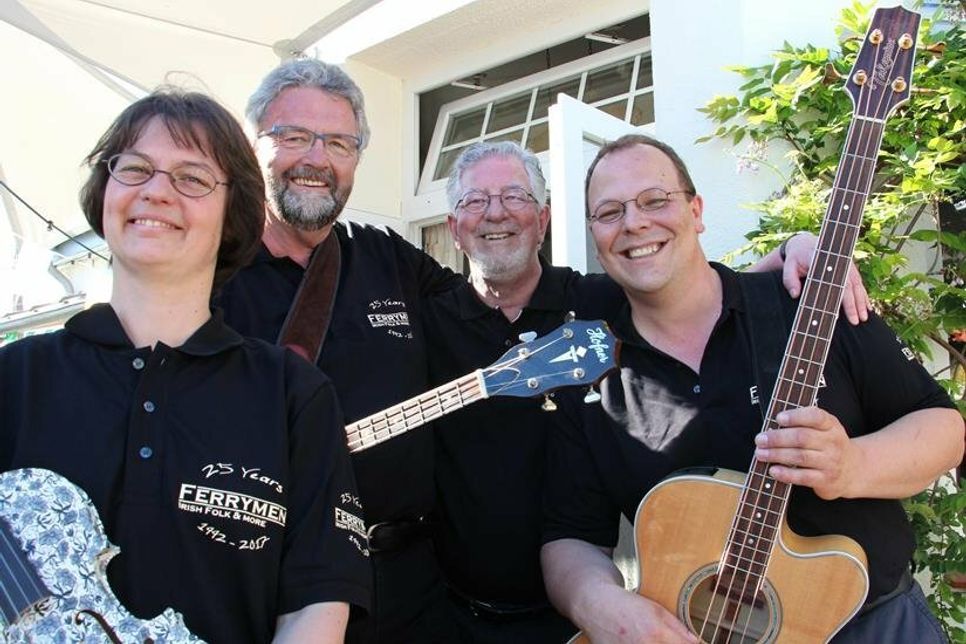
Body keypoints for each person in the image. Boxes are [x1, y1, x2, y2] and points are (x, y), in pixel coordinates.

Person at [424, 140, 872, 643]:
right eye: (475, 201)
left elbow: (693, 288)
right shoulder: (425, 325)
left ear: (543, 219)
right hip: (459, 612)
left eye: (514, 196)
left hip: (582, 610)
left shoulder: (596, 301)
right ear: (453, 229)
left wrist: (795, 251)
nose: (496, 213)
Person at [540, 134, 965, 643]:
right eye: (610, 212)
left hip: (875, 625)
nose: (634, 223)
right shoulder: (592, 380)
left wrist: (851, 465)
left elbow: (943, 427)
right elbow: (568, 535)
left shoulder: (807, 304)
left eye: (656, 200)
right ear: (594, 234)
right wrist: (597, 603)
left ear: (696, 210)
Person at [0, 90, 370, 643]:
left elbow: (315, 606)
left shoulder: (293, 395)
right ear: (105, 193)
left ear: (233, 214)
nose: (156, 191)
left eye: (192, 178)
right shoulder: (16, 378)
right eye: (135, 169)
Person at [216, 59, 461, 643]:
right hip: (256, 586)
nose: (317, 160)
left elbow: (488, 314)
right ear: (251, 150)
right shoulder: (208, 269)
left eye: (339, 143)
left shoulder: (390, 259)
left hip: (404, 586)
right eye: (293, 137)